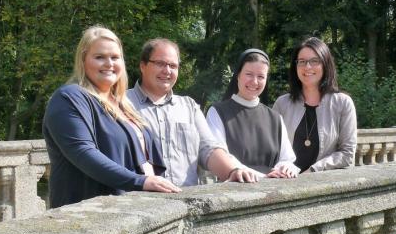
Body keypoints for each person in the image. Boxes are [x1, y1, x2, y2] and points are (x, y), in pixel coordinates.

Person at [43, 26, 181, 207]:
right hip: (89, 216)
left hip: (132, 211)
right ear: (83, 60)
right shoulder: (69, 98)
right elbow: (83, 153)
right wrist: (141, 182)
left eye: (115, 57)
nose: (109, 63)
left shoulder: (123, 104)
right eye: (99, 57)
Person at [127, 38, 258, 186]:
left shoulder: (189, 107)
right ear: (143, 65)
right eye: (160, 63)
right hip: (138, 201)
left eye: (173, 66)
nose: (167, 70)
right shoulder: (121, 104)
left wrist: (232, 171)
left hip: (185, 201)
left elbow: (208, 148)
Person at [206, 48, 300, 179]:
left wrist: (286, 168)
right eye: (249, 74)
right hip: (235, 190)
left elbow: (286, 158)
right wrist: (262, 176)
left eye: (261, 76)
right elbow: (219, 155)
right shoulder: (217, 112)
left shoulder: (275, 117)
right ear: (238, 75)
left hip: (273, 192)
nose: (255, 82)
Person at [272, 37, 357, 172]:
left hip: (323, 186)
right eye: (302, 62)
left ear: (325, 64)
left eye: (314, 61)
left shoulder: (343, 103)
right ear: (296, 66)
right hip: (285, 183)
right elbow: (272, 148)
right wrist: (284, 167)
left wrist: (313, 170)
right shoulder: (282, 104)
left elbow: (347, 154)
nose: (307, 67)